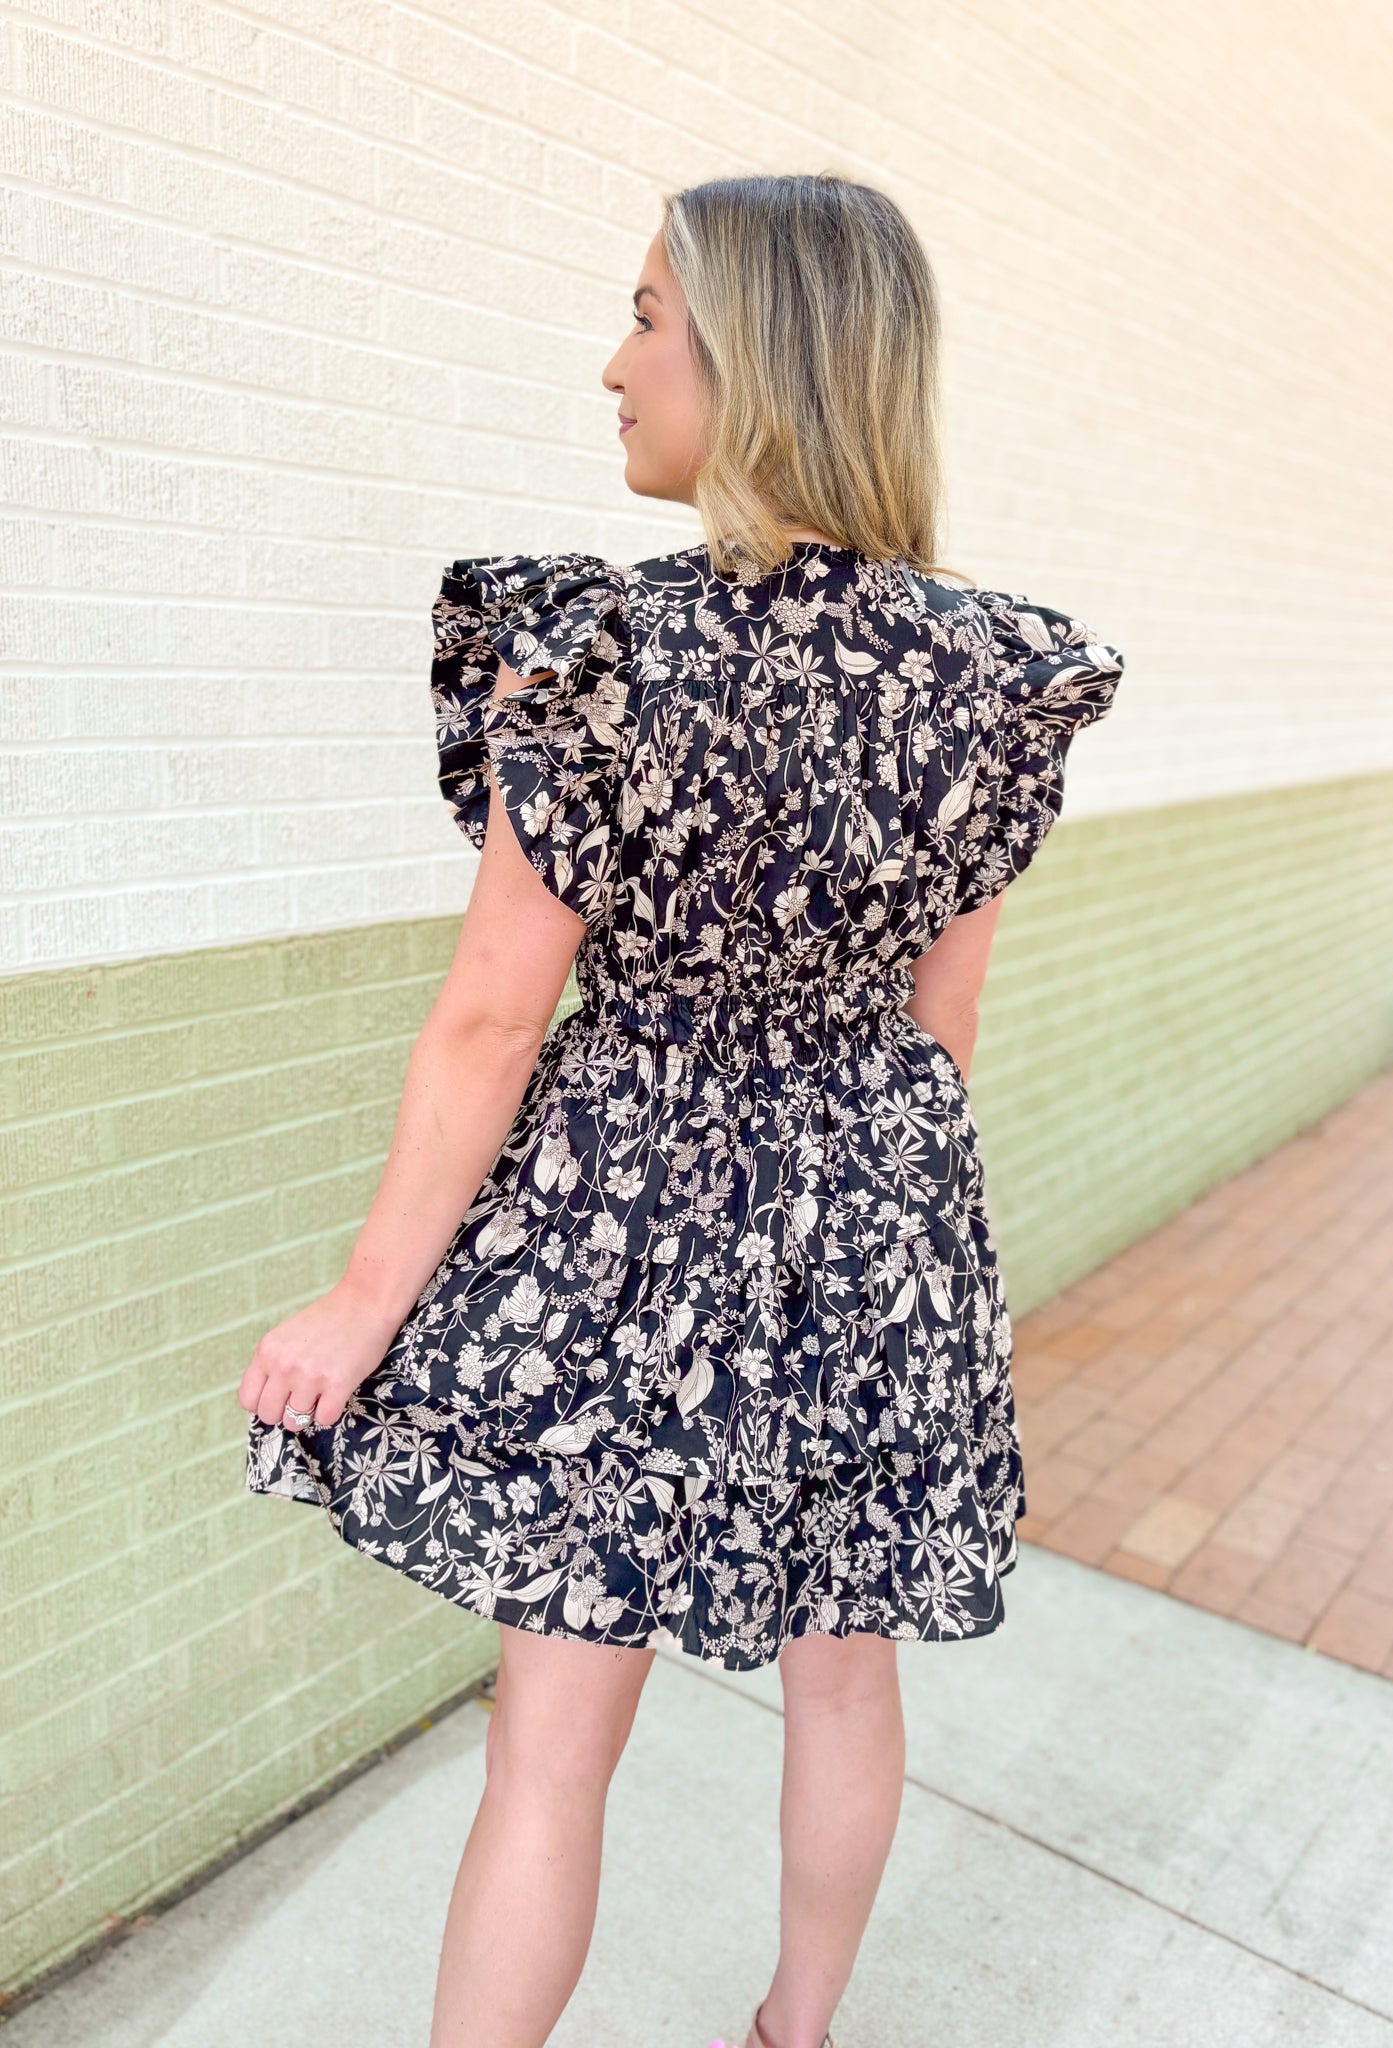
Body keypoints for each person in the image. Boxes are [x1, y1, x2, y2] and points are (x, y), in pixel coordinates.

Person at [238, 171, 1124, 2048]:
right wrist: (852, 1221)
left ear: (762, 360)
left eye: (648, 317)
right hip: (876, 1205)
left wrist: (358, 1302)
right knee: (841, 1670)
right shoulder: (993, 676)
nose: (614, 365)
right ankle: (794, 2033)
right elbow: (937, 1023)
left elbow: (492, 1020)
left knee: (553, 1739)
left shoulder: (598, 653)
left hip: (620, 1212)